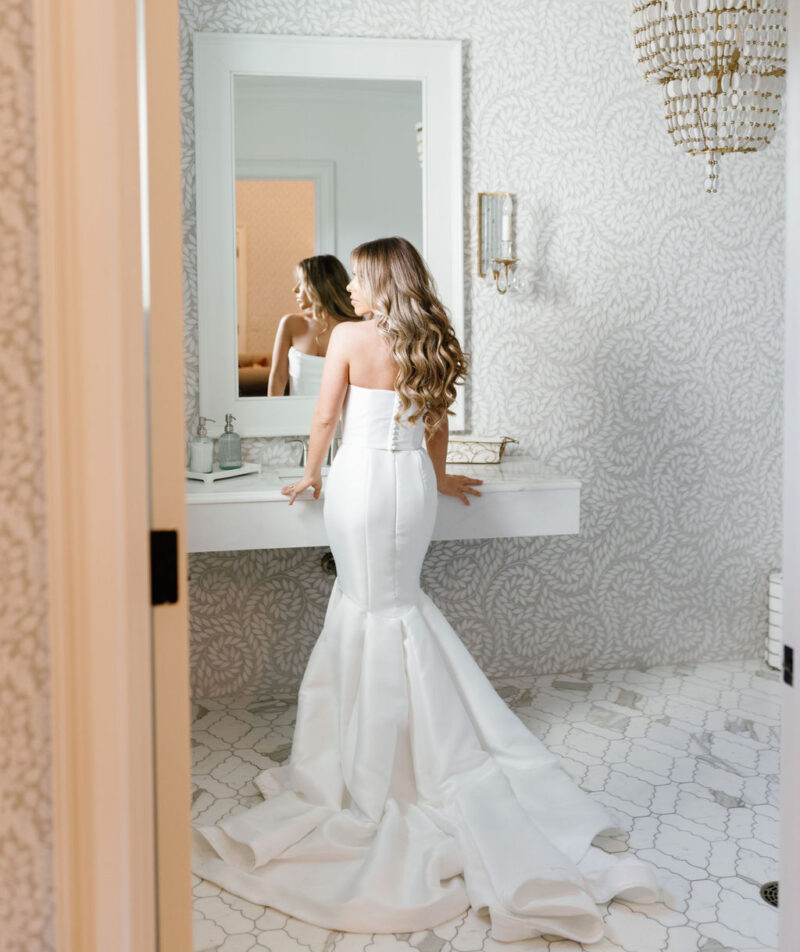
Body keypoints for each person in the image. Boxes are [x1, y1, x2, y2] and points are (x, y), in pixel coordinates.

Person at [192, 236, 661, 942]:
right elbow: (435, 427)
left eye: (358, 277)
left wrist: (312, 471)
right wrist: (436, 480)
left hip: (360, 488)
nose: (349, 289)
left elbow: (324, 419)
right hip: (410, 489)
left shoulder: (350, 336)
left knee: (367, 608)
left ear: (382, 281)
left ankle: (373, 764)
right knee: (395, 607)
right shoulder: (429, 334)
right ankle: (411, 744)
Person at [267, 254, 359, 396]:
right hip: (296, 415)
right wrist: (272, 415)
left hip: (340, 416)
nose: (295, 289)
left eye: (301, 282)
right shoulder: (291, 324)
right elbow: (278, 378)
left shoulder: (356, 327)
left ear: (320, 286)